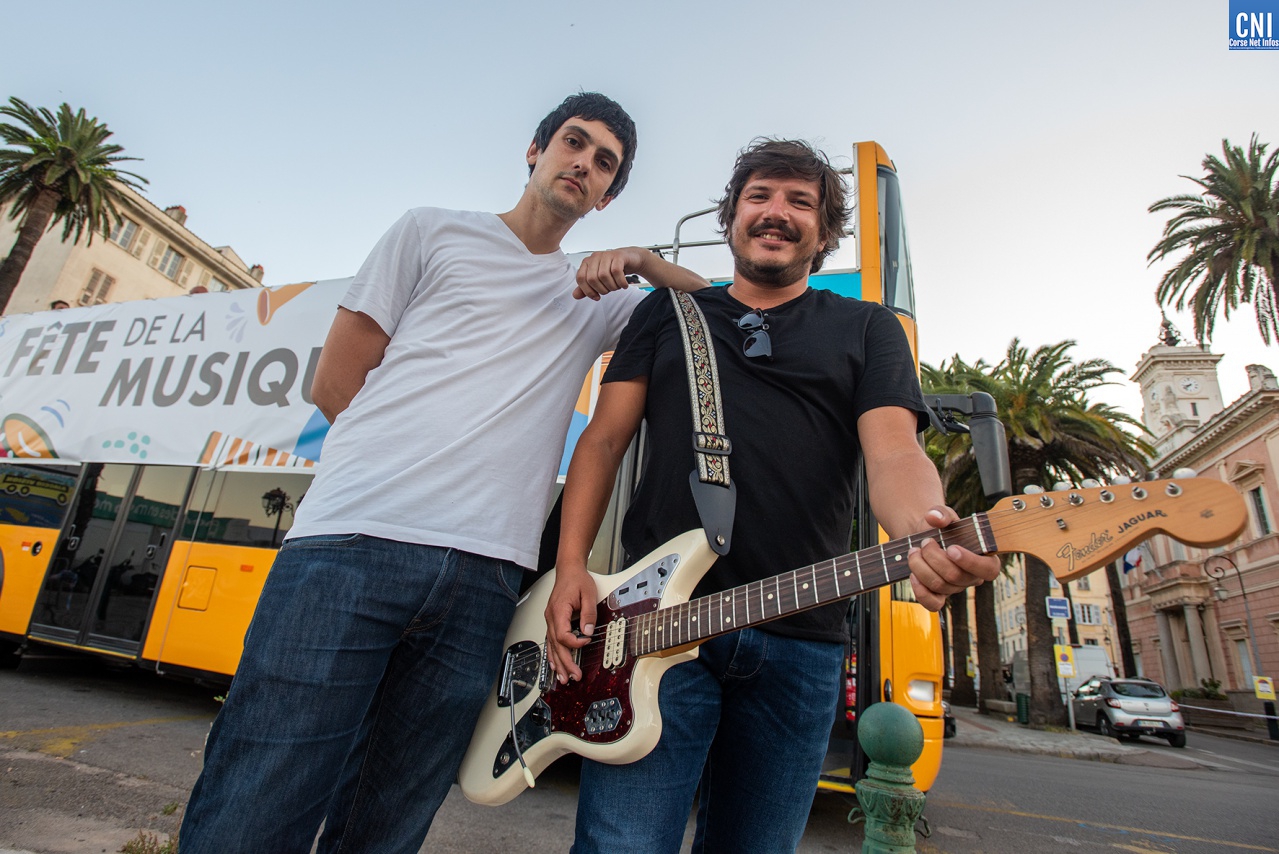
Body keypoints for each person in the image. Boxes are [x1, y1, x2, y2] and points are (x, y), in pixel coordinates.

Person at [179, 92, 705, 854]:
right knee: (261, 793)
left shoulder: (602, 302)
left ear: (606, 197)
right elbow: (335, 384)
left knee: (389, 820)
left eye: (603, 164)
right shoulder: (431, 231)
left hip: (482, 583)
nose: (582, 164)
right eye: (572, 143)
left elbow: (719, 318)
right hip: (350, 546)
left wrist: (647, 264)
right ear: (534, 151)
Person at [544, 138, 1001, 854]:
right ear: (731, 218)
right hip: (654, 631)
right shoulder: (667, 316)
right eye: (759, 196)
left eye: (799, 203)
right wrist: (572, 566)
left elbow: (893, 451)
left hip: (801, 646)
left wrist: (925, 531)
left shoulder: (867, 328)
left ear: (823, 234)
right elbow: (601, 443)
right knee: (620, 845)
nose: (775, 212)